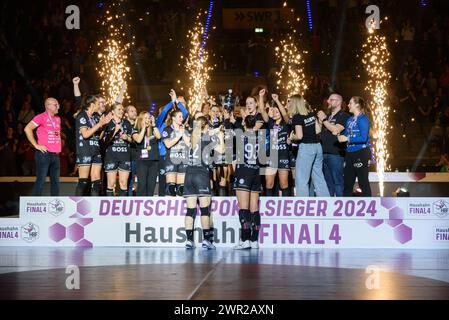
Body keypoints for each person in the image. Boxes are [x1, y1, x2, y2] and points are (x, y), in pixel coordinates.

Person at [183, 116, 223, 249]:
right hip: (201, 175)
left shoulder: (191, 137)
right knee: (205, 210)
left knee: (190, 210)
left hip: (188, 175)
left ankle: (189, 240)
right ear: (205, 126)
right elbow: (222, 151)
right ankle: (206, 240)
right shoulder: (208, 138)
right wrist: (220, 135)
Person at [289, 95, 330, 197]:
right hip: (317, 146)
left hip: (306, 148)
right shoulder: (311, 114)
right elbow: (318, 130)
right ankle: (327, 204)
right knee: (319, 177)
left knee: (301, 180)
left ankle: (302, 207)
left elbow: (299, 136)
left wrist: (291, 137)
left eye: (289, 102)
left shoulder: (297, 117)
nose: (288, 104)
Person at [233, 115, 262, 250]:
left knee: (244, 208)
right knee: (254, 208)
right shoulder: (259, 137)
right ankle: (254, 240)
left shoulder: (240, 136)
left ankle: (245, 239)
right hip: (256, 172)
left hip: (244, 171)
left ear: (245, 123)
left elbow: (234, 156)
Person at [74, 95, 111, 196]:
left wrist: (103, 125)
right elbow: (85, 134)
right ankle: (76, 207)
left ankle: (94, 207)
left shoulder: (93, 118)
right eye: (98, 103)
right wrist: (99, 124)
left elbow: (98, 137)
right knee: (84, 181)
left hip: (96, 150)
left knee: (96, 181)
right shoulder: (82, 115)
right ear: (92, 104)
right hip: (85, 150)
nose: (100, 105)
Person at [24, 98, 62, 196]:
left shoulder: (58, 119)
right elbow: (27, 128)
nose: (58, 106)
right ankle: (35, 205)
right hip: (44, 154)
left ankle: (55, 204)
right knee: (41, 179)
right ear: (48, 106)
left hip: (56, 155)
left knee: (56, 182)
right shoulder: (41, 117)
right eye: (56, 104)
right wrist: (35, 145)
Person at [155, 89, 189, 196]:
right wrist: (172, 102)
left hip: (180, 157)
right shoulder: (161, 124)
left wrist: (177, 102)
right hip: (165, 155)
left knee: (180, 189)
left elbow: (185, 113)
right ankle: (164, 208)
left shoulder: (180, 126)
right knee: (166, 185)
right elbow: (164, 111)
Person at [337, 96, 372, 196]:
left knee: (363, 182)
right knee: (347, 183)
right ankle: (345, 208)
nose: (348, 105)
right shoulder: (350, 120)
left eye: (350, 103)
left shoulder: (363, 119)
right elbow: (348, 135)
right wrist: (341, 137)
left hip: (361, 153)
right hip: (349, 153)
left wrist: (348, 139)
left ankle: (369, 208)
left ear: (357, 105)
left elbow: (363, 138)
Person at [317, 93, 350, 196]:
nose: (328, 101)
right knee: (328, 183)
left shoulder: (344, 116)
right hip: (324, 152)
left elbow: (335, 129)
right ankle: (330, 208)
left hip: (336, 154)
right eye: (328, 99)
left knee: (338, 182)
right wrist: (318, 121)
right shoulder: (327, 116)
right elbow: (318, 131)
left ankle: (341, 208)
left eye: (331, 100)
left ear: (339, 102)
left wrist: (324, 120)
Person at [103, 104, 134, 196]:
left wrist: (127, 138)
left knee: (123, 183)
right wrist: (114, 131)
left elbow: (132, 140)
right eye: (119, 109)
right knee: (111, 183)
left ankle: (122, 208)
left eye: (122, 109)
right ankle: (110, 208)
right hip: (111, 157)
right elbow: (104, 141)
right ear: (112, 111)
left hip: (124, 157)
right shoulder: (108, 123)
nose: (121, 111)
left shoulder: (127, 123)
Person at [265, 94, 291, 196]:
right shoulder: (271, 123)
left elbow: (285, 114)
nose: (275, 113)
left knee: (284, 183)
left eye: (277, 111)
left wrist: (277, 100)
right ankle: (268, 209)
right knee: (269, 183)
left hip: (283, 155)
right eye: (273, 111)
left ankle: (285, 209)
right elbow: (264, 112)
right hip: (272, 157)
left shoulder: (286, 123)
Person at [162, 109, 190, 196]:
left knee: (181, 189)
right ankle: (169, 209)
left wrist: (183, 133)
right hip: (171, 160)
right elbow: (168, 145)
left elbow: (189, 144)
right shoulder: (167, 129)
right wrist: (178, 136)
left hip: (183, 160)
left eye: (182, 116)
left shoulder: (184, 130)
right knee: (170, 188)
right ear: (173, 118)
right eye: (180, 116)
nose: (182, 118)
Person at [132, 112, 160, 196]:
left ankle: (149, 203)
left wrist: (154, 125)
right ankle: (140, 204)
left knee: (151, 185)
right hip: (142, 161)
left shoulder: (153, 129)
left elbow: (159, 136)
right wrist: (144, 128)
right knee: (142, 184)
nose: (148, 120)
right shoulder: (135, 129)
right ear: (141, 119)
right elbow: (138, 140)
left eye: (149, 118)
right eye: (146, 118)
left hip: (153, 160)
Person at [125, 105, 138, 196]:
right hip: (128, 157)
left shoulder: (139, 125)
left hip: (140, 156)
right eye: (132, 111)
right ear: (126, 114)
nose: (135, 113)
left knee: (141, 181)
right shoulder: (123, 125)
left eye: (135, 111)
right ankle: (129, 203)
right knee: (129, 181)